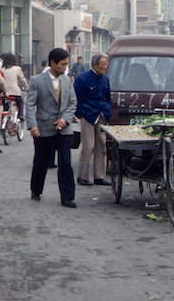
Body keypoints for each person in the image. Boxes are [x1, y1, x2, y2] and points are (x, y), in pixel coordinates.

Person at [25, 47, 78, 207]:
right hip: (43, 127)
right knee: (41, 161)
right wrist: (32, 125)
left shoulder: (67, 80)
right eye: (62, 64)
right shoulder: (37, 80)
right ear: (53, 63)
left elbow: (73, 102)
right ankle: (36, 189)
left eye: (67, 64)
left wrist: (65, 119)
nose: (65, 67)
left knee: (65, 162)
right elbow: (30, 104)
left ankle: (67, 196)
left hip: (64, 128)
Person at [74, 53, 112, 187]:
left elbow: (108, 98)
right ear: (94, 65)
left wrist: (107, 112)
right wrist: (80, 114)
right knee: (88, 146)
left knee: (101, 145)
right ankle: (82, 176)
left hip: (101, 115)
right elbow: (76, 98)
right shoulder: (83, 79)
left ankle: (99, 176)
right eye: (102, 65)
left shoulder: (105, 80)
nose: (105, 67)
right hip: (88, 115)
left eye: (106, 64)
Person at [0, 53, 28, 123]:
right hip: (15, 93)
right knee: (20, 102)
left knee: (5, 108)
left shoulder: (1, 69)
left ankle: (4, 120)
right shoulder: (17, 69)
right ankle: (20, 117)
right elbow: (23, 80)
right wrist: (27, 88)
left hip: (5, 93)